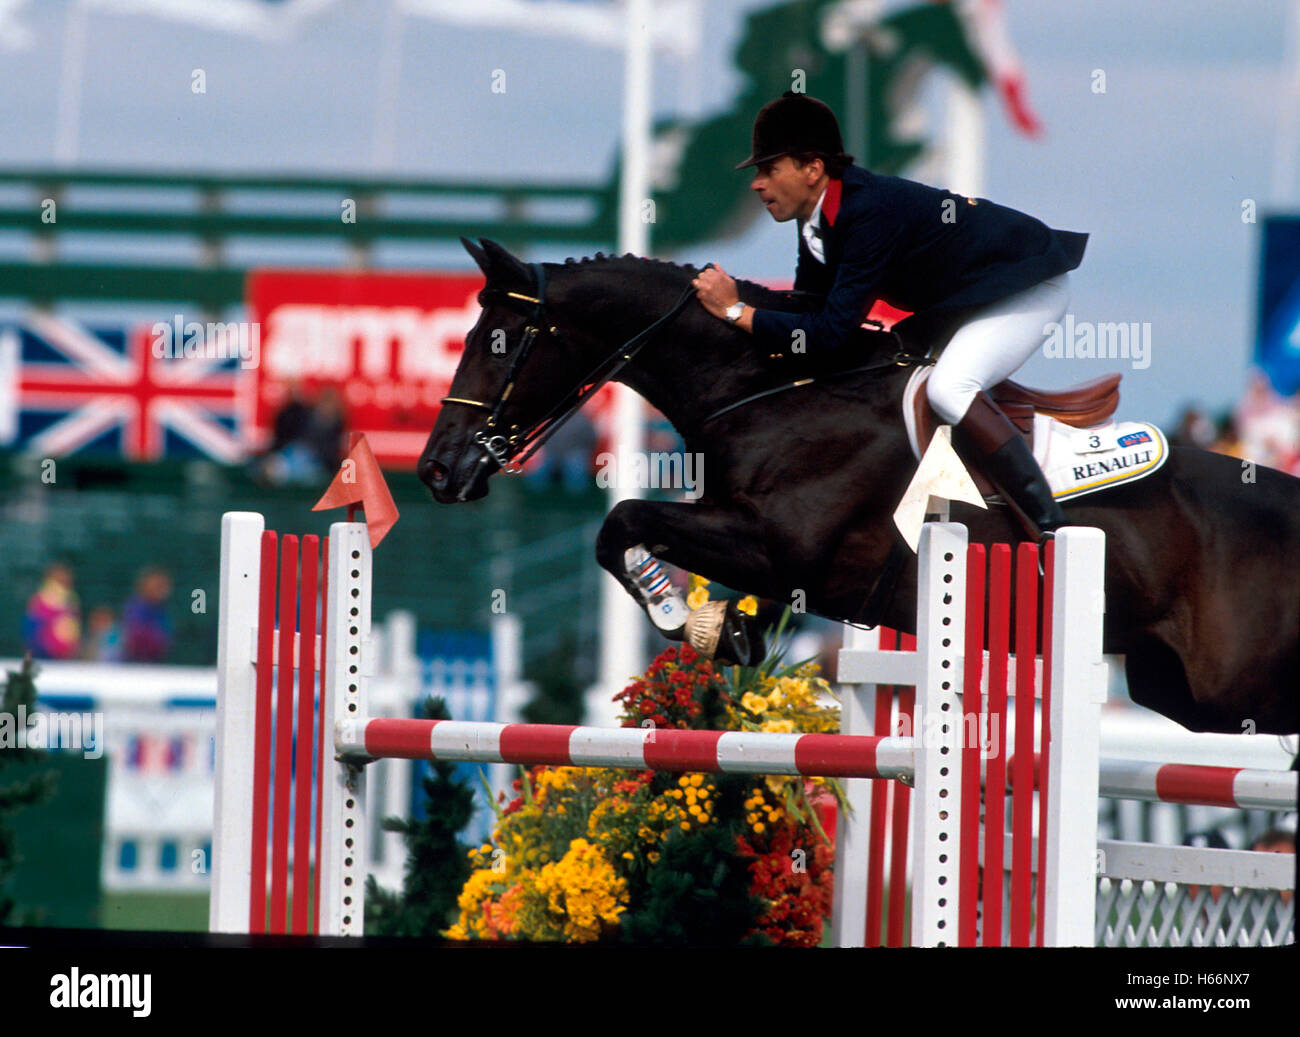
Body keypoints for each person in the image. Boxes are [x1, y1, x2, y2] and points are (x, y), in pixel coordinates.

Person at [692, 92, 1089, 539]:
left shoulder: (867, 213)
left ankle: (1050, 523)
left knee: (948, 387)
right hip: (969, 300)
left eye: (769, 169)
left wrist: (736, 311)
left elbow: (829, 334)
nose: (756, 184)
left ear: (813, 169)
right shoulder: (817, 222)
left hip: (1030, 285)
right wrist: (733, 313)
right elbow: (807, 310)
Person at [22, 562, 81, 660]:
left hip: (64, 654)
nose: (63, 579)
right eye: (59, 577)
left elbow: (73, 627)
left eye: (65, 577)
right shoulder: (41, 598)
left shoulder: (71, 599)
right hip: (44, 652)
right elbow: (32, 628)